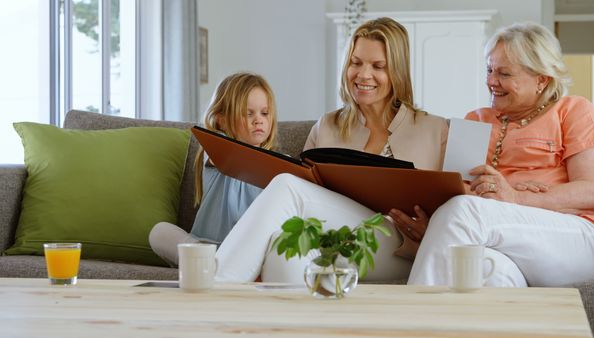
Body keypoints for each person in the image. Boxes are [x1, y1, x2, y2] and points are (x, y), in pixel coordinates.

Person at [214, 17, 449, 283]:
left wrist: (432, 228)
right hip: (332, 242)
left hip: (400, 251)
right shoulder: (327, 126)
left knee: (286, 187)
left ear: (397, 71)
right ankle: (294, 324)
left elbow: (457, 210)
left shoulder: (435, 129)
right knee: (284, 247)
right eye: (355, 63)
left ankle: (214, 289)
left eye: (378, 66)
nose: (363, 74)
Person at [405, 22, 594, 287]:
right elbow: (454, 192)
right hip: (504, 242)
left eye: (504, 74)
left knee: (465, 211)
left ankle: (407, 324)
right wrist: (437, 227)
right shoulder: (476, 120)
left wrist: (515, 196)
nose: (491, 81)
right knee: (489, 271)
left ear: (542, 79)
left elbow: (593, 192)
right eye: (489, 70)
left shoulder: (573, 110)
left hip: (577, 237)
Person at [148, 72, 278, 267]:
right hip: (205, 246)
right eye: (248, 113)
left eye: (264, 113)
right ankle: (209, 262)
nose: (258, 120)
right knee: (159, 232)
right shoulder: (215, 150)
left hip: (247, 250)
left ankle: (217, 265)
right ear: (221, 120)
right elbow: (232, 154)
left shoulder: (278, 165)